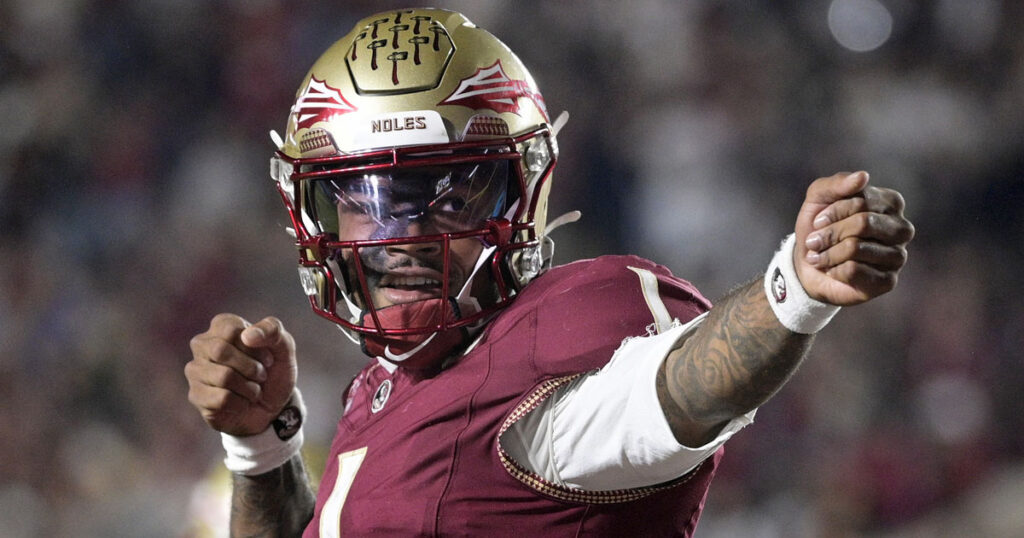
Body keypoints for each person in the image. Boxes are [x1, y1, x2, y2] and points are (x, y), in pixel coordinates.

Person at [184, 7, 914, 537]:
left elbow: (676, 389)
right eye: (365, 198)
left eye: (445, 195)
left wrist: (793, 289)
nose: (402, 236)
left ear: (519, 193)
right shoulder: (382, 389)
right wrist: (262, 449)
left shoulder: (550, 358)